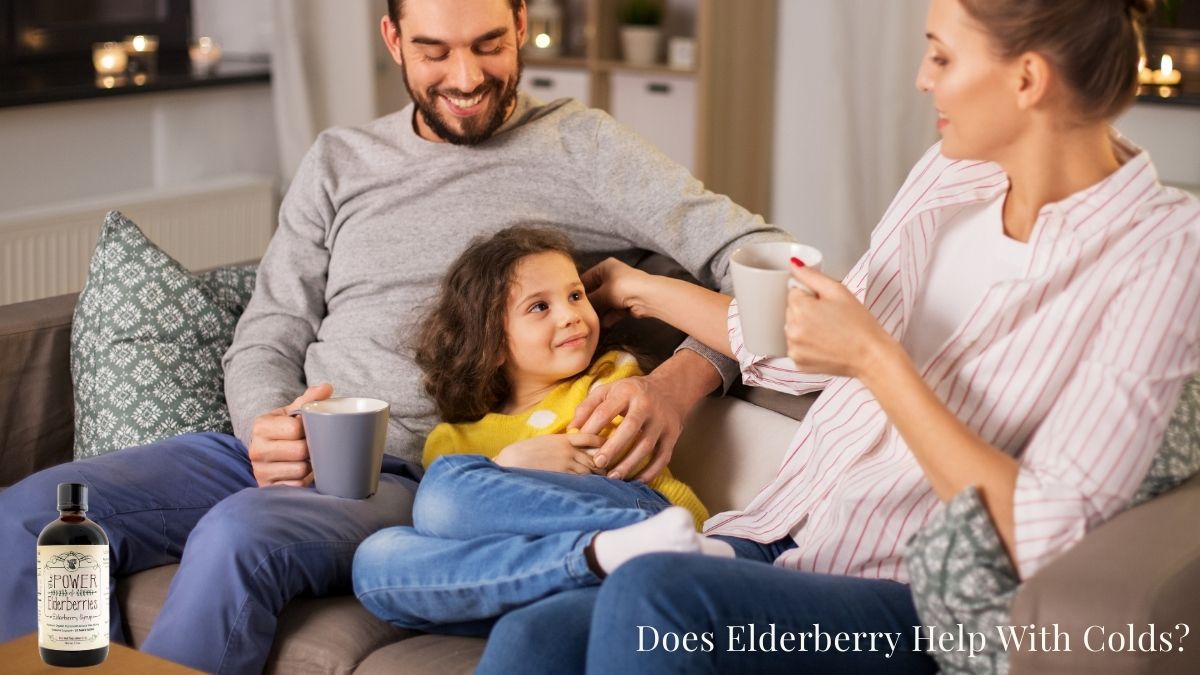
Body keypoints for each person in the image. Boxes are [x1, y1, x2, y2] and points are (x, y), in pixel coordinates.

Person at [0, 0, 788, 672]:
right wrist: (263, 425)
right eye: (434, 50)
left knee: (240, 537)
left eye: (488, 44)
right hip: (279, 445)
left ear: (522, 24)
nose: (466, 78)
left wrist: (678, 383)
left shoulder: (582, 147)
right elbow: (270, 326)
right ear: (391, 39)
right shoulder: (341, 160)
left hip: (411, 468)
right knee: (28, 514)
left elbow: (765, 262)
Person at [473, 0, 1200, 672]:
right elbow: (803, 355)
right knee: (529, 636)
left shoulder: (1160, 253)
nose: (922, 80)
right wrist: (647, 290)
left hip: (905, 599)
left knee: (654, 600)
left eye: (942, 57)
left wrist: (879, 361)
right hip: (783, 533)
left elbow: (1045, 533)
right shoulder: (951, 177)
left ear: (1027, 78)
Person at [352, 226, 737, 632]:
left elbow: (634, 474)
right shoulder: (452, 441)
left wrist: (502, 476)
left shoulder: (609, 383)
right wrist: (508, 464)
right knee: (375, 560)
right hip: (543, 578)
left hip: (633, 509)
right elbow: (457, 529)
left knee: (443, 489)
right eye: (539, 307)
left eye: (575, 296)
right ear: (492, 343)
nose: (571, 315)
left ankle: (649, 547)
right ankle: (595, 561)